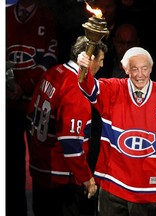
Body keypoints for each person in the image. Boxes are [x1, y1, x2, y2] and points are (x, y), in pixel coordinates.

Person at [77, 47, 156, 215]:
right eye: (134, 69)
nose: (140, 74)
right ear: (126, 69)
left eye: (144, 69)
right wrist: (83, 67)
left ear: (151, 68)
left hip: (151, 189)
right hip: (113, 185)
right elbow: (88, 86)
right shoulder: (112, 89)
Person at [26, 36, 107, 216]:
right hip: (61, 178)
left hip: (40, 167)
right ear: (89, 58)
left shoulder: (52, 72)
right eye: (100, 60)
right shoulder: (76, 88)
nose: (101, 65)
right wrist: (86, 178)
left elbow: (30, 114)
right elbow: (70, 142)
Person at [6, 0, 58, 215]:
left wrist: (24, 85)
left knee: (39, 163)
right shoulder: (5, 15)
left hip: (37, 105)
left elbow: (49, 60)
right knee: (10, 162)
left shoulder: (48, 16)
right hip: (8, 104)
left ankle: (41, 211)